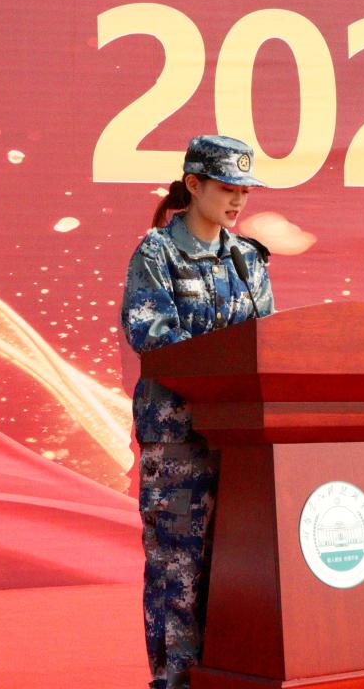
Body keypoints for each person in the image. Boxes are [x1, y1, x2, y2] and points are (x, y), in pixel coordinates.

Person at [121, 135, 274, 689]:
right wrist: (223, 372)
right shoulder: (157, 253)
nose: (238, 200)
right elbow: (154, 337)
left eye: (245, 191)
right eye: (227, 188)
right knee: (177, 571)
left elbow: (269, 344)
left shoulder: (248, 259)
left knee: (237, 569)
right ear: (193, 184)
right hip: (179, 441)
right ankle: (175, 683)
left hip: (239, 441)